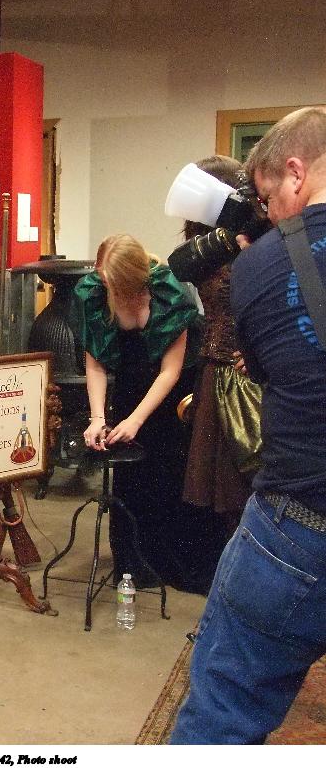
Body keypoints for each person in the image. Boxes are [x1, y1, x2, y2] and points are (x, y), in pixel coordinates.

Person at [171, 106, 326, 744]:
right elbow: (181, 262)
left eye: (268, 197)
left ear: (296, 174)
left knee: (222, 712)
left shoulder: (265, 262)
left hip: (299, 514)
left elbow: (263, 362)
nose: (270, 212)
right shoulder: (245, 245)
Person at [72, 233, 217, 593]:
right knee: (131, 478)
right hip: (129, 387)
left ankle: (171, 563)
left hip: (169, 394)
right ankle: (134, 564)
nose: (107, 288)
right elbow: (96, 364)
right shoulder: (95, 293)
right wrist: (97, 418)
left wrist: (137, 420)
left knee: (167, 474)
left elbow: (170, 371)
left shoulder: (168, 294)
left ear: (134, 280)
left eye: (114, 283)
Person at [179, 156, 263, 532]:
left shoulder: (261, 236)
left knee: (247, 485)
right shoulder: (213, 244)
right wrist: (230, 237)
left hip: (250, 377)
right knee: (225, 495)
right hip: (215, 372)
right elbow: (179, 265)